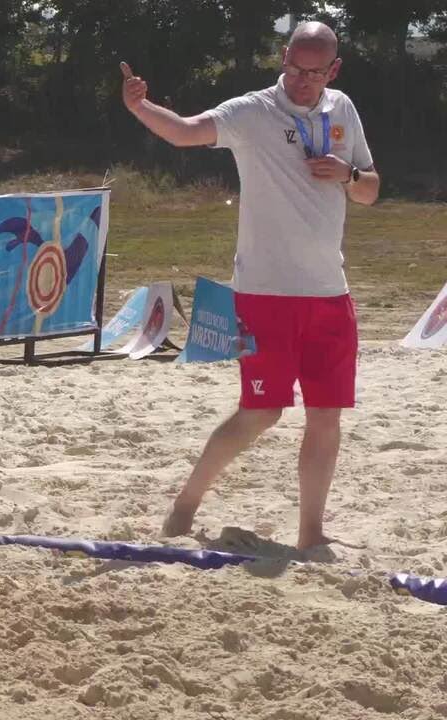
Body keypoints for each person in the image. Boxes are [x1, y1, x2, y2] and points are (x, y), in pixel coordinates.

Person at [120, 21, 380, 552]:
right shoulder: (253, 111)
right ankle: (187, 503)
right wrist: (141, 108)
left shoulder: (343, 109)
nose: (302, 81)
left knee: (326, 419)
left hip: (331, 294)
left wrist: (348, 177)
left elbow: (372, 190)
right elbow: (186, 131)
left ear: (333, 69)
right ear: (282, 57)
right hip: (265, 294)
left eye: (314, 72)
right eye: (294, 68)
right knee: (261, 412)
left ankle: (311, 534)